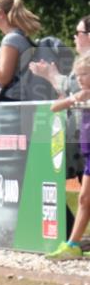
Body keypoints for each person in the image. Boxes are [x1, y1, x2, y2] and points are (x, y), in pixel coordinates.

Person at [47, 52, 90, 261]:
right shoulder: (80, 95)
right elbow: (54, 107)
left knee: (84, 198)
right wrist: (74, 98)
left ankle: (73, 244)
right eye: (79, 75)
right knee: (84, 199)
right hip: (88, 155)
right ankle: (73, 244)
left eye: (84, 74)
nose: (80, 79)